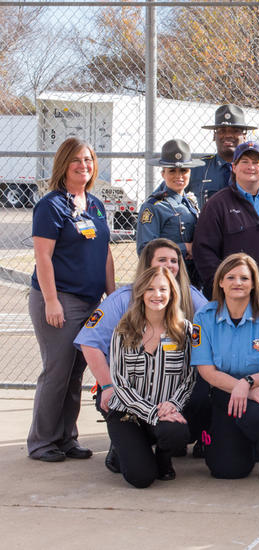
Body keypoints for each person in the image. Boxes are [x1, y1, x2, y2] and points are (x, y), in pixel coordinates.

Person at [76, 238, 210, 472]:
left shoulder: (190, 296)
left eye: (174, 260)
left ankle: (165, 448)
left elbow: (211, 331)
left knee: (202, 395)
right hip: (128, 392)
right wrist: (108, 386)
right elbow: (89, 343)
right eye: (162, 260)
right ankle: (124, 445)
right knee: (139, 474)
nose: (169, 265)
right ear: (147, 263)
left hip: (170, 394)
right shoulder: (121, 300)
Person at [27, 137, 115, 463]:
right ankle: (42, 443)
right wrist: (51, 301)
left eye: (89, 160)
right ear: (63, 164)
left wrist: (111, 296)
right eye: (76, 160)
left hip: (91, 301)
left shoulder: (95, 204)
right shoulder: (51, 205)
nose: (84, 166)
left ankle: (66, 438)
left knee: (77, 372)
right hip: (60, 299)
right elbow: (43, 257)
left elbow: (105, 253)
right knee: (57, 371)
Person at [191, 253, 259, 481]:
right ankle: (246, 442)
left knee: (258, 415)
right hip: (224, 388)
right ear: (220, 282)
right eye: (231, 277)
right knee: (226, 470)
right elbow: (207, 372)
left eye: (244, 278)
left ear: (253, 283)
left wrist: (247, 384)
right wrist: (240, 387)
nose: (238, 283)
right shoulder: (204, 317)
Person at [105, 266, 197, 488]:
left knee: (177, 432)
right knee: (141, 478)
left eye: (163, 289)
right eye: (150, 289)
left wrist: (173, 405)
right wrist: (152, 413)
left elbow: (190, 377)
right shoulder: (123, 330)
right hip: (129, 415)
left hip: (166, 412)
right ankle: (122, 449)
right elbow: (119, 381)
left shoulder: (184, 330)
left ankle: (163, 458)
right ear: (141, 293)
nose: (157, 295)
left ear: (172, 293)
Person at [193, 141, 259, 305]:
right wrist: (223, 288)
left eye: (256, 162)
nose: (251, 167)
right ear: (234, 167)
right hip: (231, 300)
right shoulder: (217, 204)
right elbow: (203, 251)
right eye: (245, 162)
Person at [189, 104, 259, 208]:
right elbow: (172, 192)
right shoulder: (199, 168)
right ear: (214, 135)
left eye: (235, 131)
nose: (228, 135)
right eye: (222, 131)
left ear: (244, 136)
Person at [136, 139, 204, 285]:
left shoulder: (190, 204)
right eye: (172, 171)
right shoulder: (153, 206)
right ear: (163, 174)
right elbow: (145, 249)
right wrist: (185, 248)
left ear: (190, 172)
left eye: (184, 170)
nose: (178, 176)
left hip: (191, 280)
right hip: (164, 281)